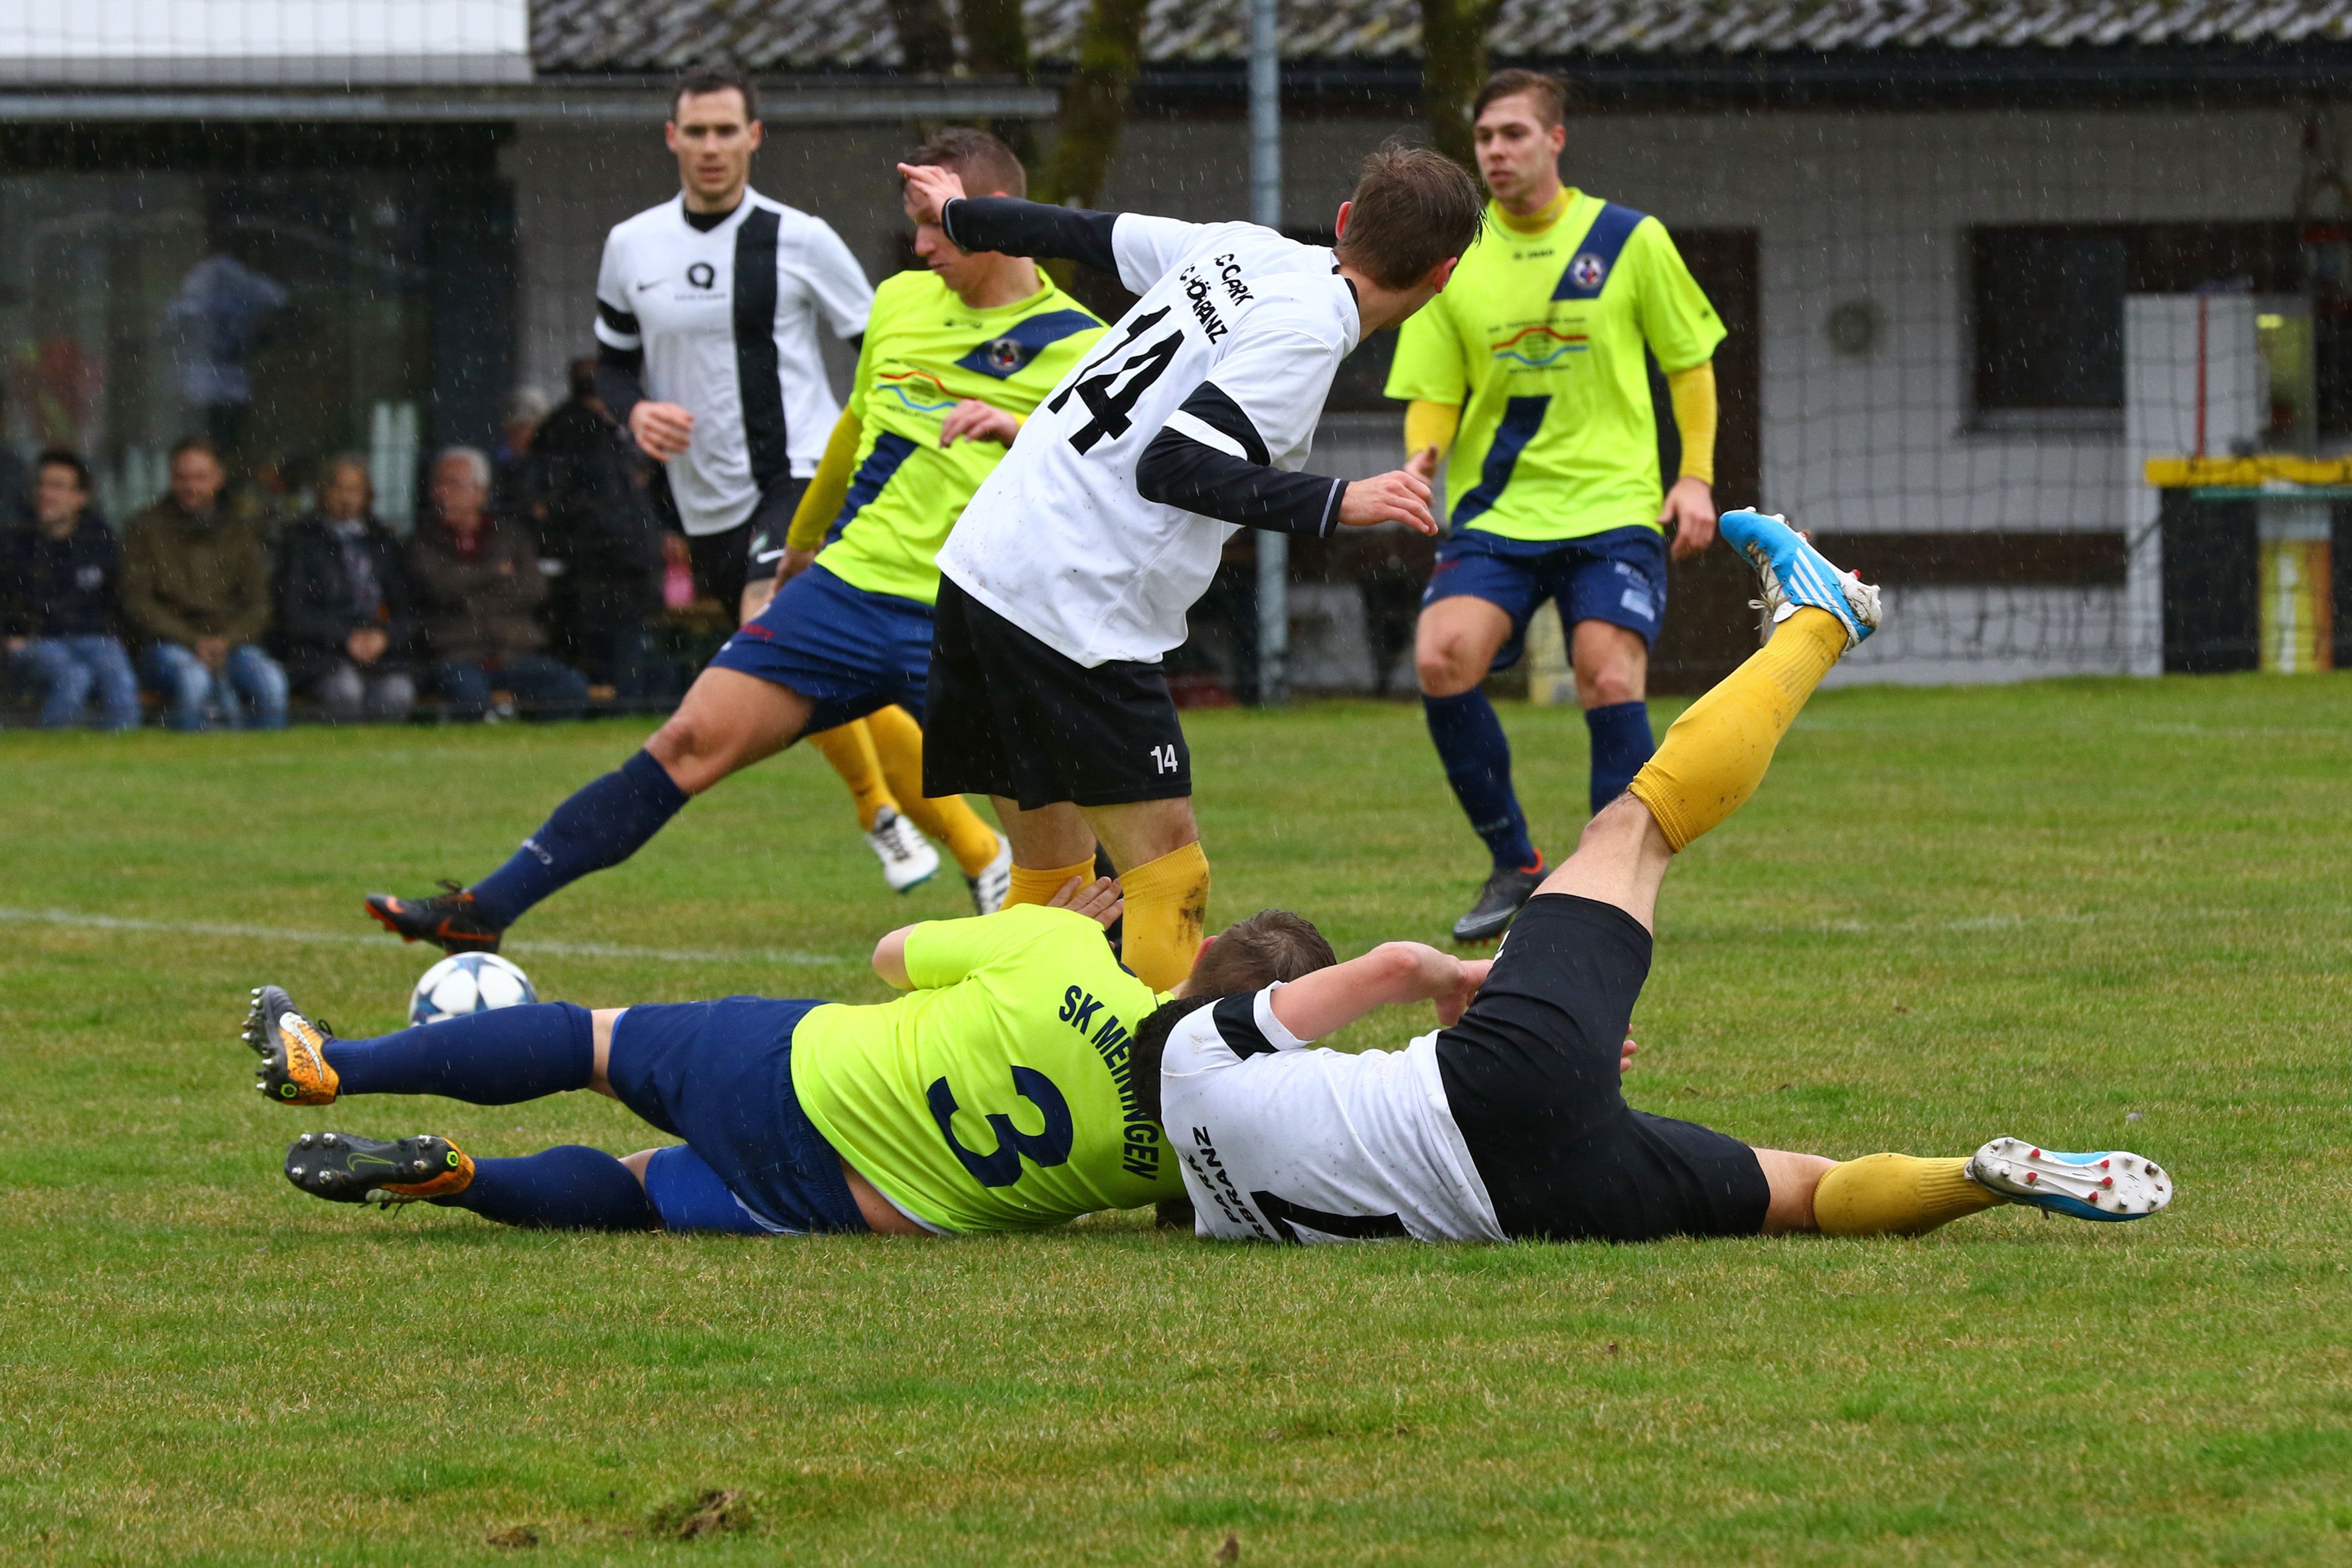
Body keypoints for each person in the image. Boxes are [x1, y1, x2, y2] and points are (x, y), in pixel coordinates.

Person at [1141, 512, 2175, 1245]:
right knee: (1629, 829)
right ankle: (1820, 619)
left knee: (1800, 1192)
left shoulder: (1218, 1211)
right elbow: (1393, 965)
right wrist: (1464, 984)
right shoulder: (1192, 1045)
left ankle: (1975, 1176)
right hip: (1488, 1084)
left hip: (1541, 1199)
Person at [362, 130, 1099, 953]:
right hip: (845, 592)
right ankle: (481, 913)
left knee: (1058, 835)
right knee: (685, 743)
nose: (921, 246)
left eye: (936, 224)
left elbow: (1114, 490)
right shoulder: (900, 303)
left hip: (970, 615)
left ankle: (1131, 989)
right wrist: (803, 546)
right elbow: (855, 433)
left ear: (995, 215)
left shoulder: (1083, 347)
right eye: (915, 224)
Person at [897, 141, 1486, 992]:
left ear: (1344, 221)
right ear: (1444, 275)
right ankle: (1150, 1071)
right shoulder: (1310, 330)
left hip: (987, 564)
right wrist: (1338, 500)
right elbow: (1172, 466)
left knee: (1055, 883)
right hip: (1076, 602)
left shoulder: (1243, 246)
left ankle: (983, 1048)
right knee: (1168, 877)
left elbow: (1076, 232)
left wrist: (960, 213)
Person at [249, 880, 1333, 1236]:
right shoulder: (1205, 1140)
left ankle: (333, 1060)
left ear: (1197, 956)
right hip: (849, 1208)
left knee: (589, 1040)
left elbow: (891, 952)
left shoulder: (1060, 948)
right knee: (638, 1196)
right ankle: (462, 1178)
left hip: (795, 1072)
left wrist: (1038, 926)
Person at [1386, 71, 1731, 943]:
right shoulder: (1454, 258)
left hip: (1612, 507)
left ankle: (1604, 885)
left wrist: (1693, 477)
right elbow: (1433, 389)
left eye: (1513, 133)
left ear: (1555, 140)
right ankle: (1515, 862)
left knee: (1606, 673)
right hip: (1496, 513)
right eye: (1484, 137)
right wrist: (1420, 457)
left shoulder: (1627, 239)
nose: (1496, 151)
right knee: (1440, 657)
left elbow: (1689, 365)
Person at [589, 63, 872, 623]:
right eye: (697, 132)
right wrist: (637, 412)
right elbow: (612, 367)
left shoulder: (802, 239)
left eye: (725, 130)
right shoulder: (630, 245)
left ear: (754, 136)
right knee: (779, 655)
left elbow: (881, 349)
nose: (711, 148)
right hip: (703, 496)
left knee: (764, 622)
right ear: (672, 137)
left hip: (799, 469)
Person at [404, 447, 589, 723]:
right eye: (437, 485)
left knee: (570, 686)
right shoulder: (421, 541)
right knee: (469, 696)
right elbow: (439, 586)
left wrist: (469, 598)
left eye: (453, 484)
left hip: (516, 652)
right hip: (456, 653)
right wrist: (493, 572)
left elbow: (534, 588)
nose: (441, 493)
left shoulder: (510, 536)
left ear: (480, 493)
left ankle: (536, 744)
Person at [524, 358, 666, 706]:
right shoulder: (584, 434)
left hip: (607, 573)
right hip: (607, 574)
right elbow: (590, 507)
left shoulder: (581, 431)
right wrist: (632, 551)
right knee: (619, 665)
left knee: (616, 660)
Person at [121, 436, 287, 731]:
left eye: (200, 477)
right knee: (194, 680)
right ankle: (186, 756)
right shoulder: (144, 529)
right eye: (182, 477)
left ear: (219, 479)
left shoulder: (241, 532)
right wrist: (193, 640)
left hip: (232, 645)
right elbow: (138, 603)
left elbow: (259, 604)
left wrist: (227, 640)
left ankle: (269, 758)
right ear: (171, 479)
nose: (191, 486)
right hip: (166, 646)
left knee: (271, 681)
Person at [3, 449, 140, 730]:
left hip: (91, 637)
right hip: (36, 640)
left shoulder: (99, 539)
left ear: (80, 498)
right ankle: (49, 748)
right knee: (73, 676)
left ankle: (124, 748)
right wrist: (8, 635)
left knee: (118, 675)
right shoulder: (15, 540)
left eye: (57, 486)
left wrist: (118, 634)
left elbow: (120, 597)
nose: (46, 493)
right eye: (42, 484)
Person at [272, 455, 415, 723]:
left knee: (398, 692)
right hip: (320, 655)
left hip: (380, 656)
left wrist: (384, 637)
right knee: (346, 690)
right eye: (338, 488)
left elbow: (406, 609)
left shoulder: (382, 541)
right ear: (323, 491)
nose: (346, 498)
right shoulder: (301, 540)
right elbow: (293, 612)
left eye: (354, 489)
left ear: (367, 495)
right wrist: (345, 637)